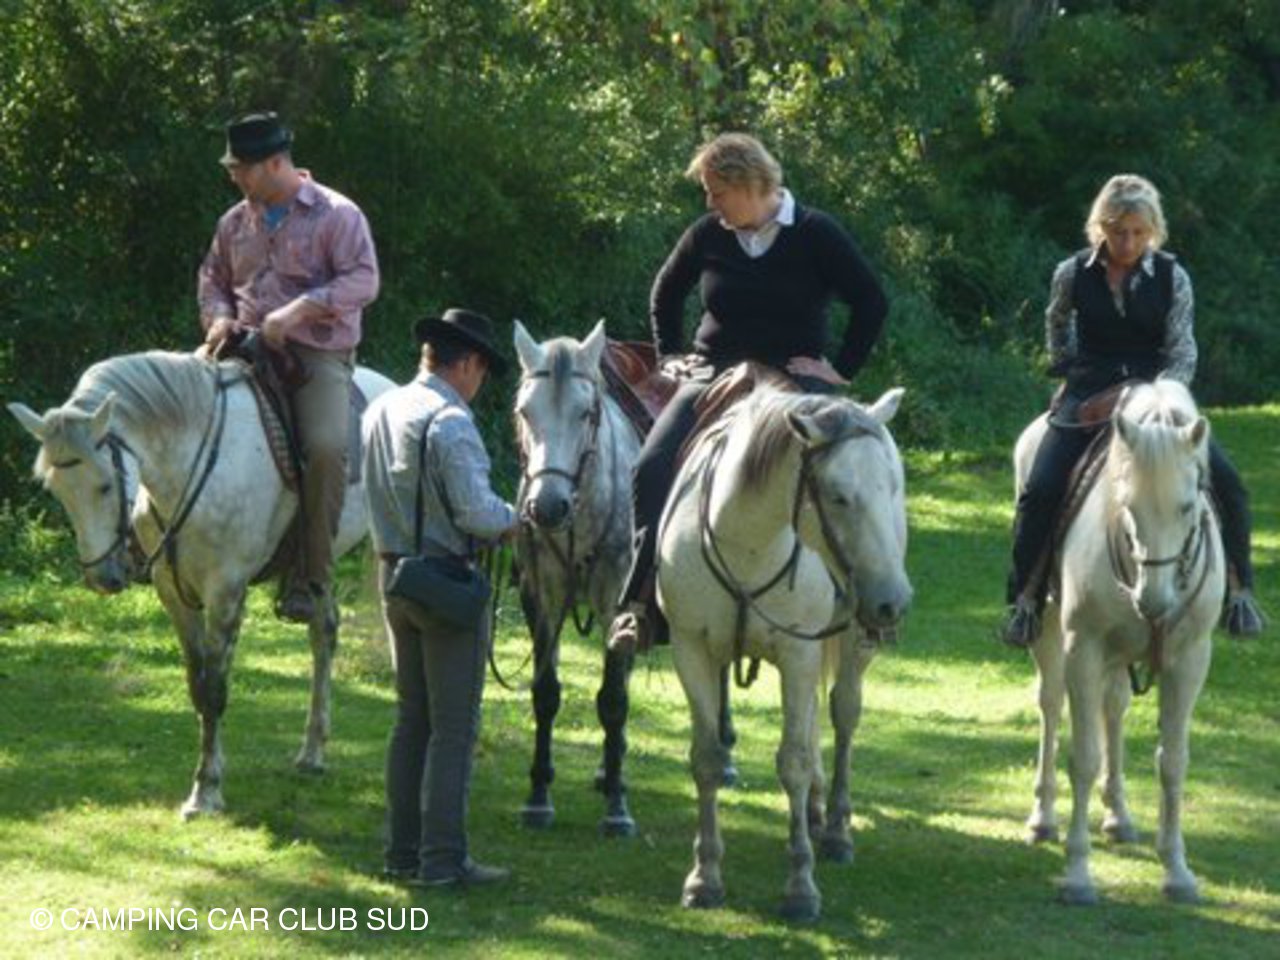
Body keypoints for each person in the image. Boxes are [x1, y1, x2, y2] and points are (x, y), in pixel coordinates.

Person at [607, 132, 888, 654]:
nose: (710, 204)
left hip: (794, 379)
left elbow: (871, 301)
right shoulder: (707, 235)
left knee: (844, 471)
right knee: (651, 466)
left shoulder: (815, 232)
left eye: (716, 192)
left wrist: (839, 369)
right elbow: (665, 291)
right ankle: (640, 606)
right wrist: (670, 356)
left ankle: (857, 603)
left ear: (749, 184)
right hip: (714, 374)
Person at [1002, 174, 1265, 648]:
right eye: (1118, 231)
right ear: (1100, 227)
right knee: (1040, 490)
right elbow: (1056, 322)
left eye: (1138, 233)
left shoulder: (1173, 277)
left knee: (1229, 485)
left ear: (1153, 230)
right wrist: (1067, 369)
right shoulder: (1071, 272)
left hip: (1158, 394)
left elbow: (1182, 351)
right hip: (1088, 394)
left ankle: (1239, 592)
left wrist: (1154, 396)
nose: (1128, 242)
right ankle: (1025, 599)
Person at [198, 111, 380, 622]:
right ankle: (148, 541)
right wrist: (218, 318)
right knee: (172, 404)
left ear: (275, 163)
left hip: (314, 354)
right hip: (239, 345)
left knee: (325, 447)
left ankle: (310, 577)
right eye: (232, 167)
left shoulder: (338, 214)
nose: (234, 176)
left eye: (242, 167)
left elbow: (363, 280)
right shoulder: (234, 222)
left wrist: (299, 310)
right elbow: (212, 278)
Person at [363, 308, 518, 888]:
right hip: (446, 583)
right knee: (453, 729)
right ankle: (442, 861)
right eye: (483, 370)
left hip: (393, 574)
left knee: (411, 721)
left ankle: (402, 853)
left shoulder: (381, 409)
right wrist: (517, 518)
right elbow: (476, 513)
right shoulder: (451, 421)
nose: (481, 382)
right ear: (469, 363)